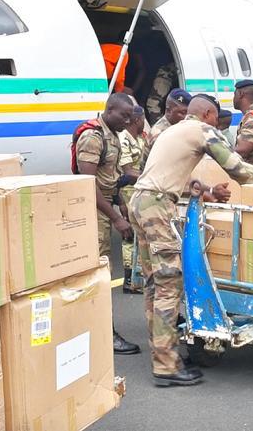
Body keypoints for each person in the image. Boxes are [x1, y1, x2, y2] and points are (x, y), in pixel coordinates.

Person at [129, 94, 253, 387]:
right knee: (169, 282)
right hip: (156, 206)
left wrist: (207, 190)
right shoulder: (202, 131)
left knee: (153, 284)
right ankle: (166, 365)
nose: (217, 123)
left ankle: (164, 353)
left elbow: (172, 173)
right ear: (208, 114)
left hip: (139, 201)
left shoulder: (173, 130)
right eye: (216, 118)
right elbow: (236, 167)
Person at [74, 92, 141, 356]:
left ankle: (97, 330)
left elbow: (109, 176)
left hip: (105, 206)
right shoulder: (93, 138)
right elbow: (87, 184)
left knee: (100, 273)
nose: (128, 121)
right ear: (109, 110)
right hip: (93, 211)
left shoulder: (111, 135)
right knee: (99, 276)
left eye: (130, 117)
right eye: (124, 116)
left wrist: (120, 202)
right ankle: (104, 334)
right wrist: (116, 219)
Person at [117, 106, 147, 294]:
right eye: (143, 120)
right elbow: (127, 171)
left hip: (139, 190)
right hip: (128, 192)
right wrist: (150, 177)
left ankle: (138, 276)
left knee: (139, 235)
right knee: (129, 236)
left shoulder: (140, 138)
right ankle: (129, 280)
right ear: (137, 120)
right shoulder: (124, 139)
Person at [141, 88, 191, 166]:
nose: (187, 116)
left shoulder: (176, 126)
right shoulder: (159, 135)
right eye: (183, 112)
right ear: (169, 111)